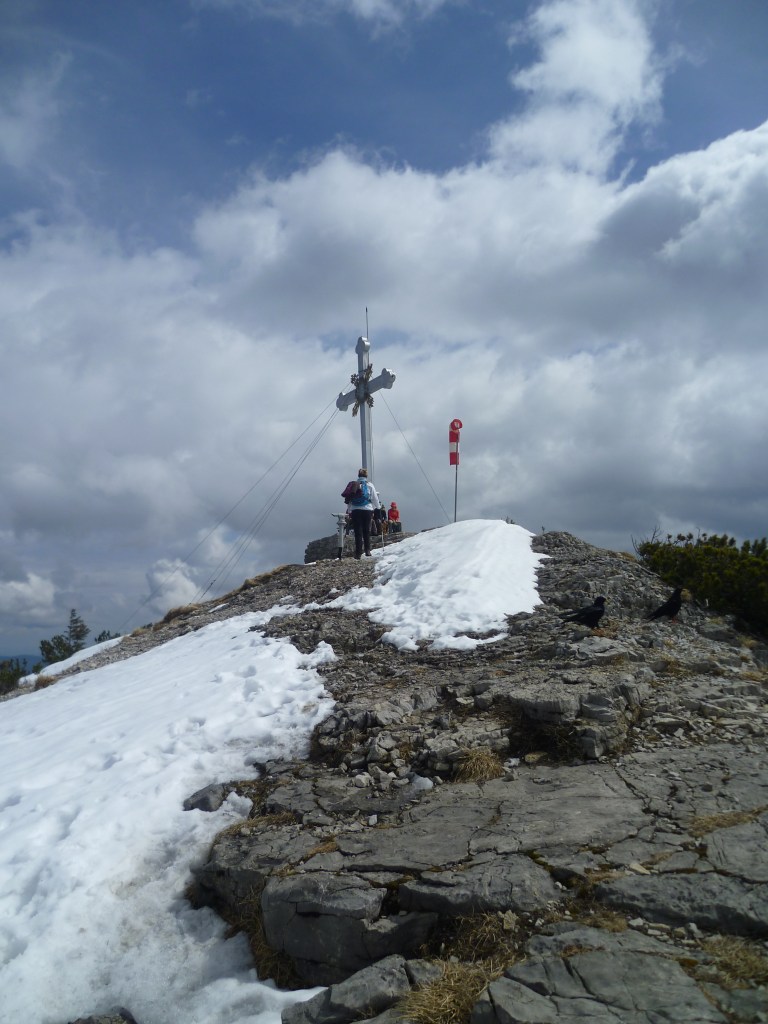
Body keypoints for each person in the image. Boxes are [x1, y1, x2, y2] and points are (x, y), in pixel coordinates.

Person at [344, 468, 381, 558]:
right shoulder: (370, 485)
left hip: (355, 510)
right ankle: (367, 550)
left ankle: (358, 553)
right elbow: (374, 498)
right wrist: (378, 508)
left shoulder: (353, 484)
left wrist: (349, 510)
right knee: (366, 530)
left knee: (358, 531)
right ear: (366, 476)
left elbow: (349, 499)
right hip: (367, 509)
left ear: (358, 475)